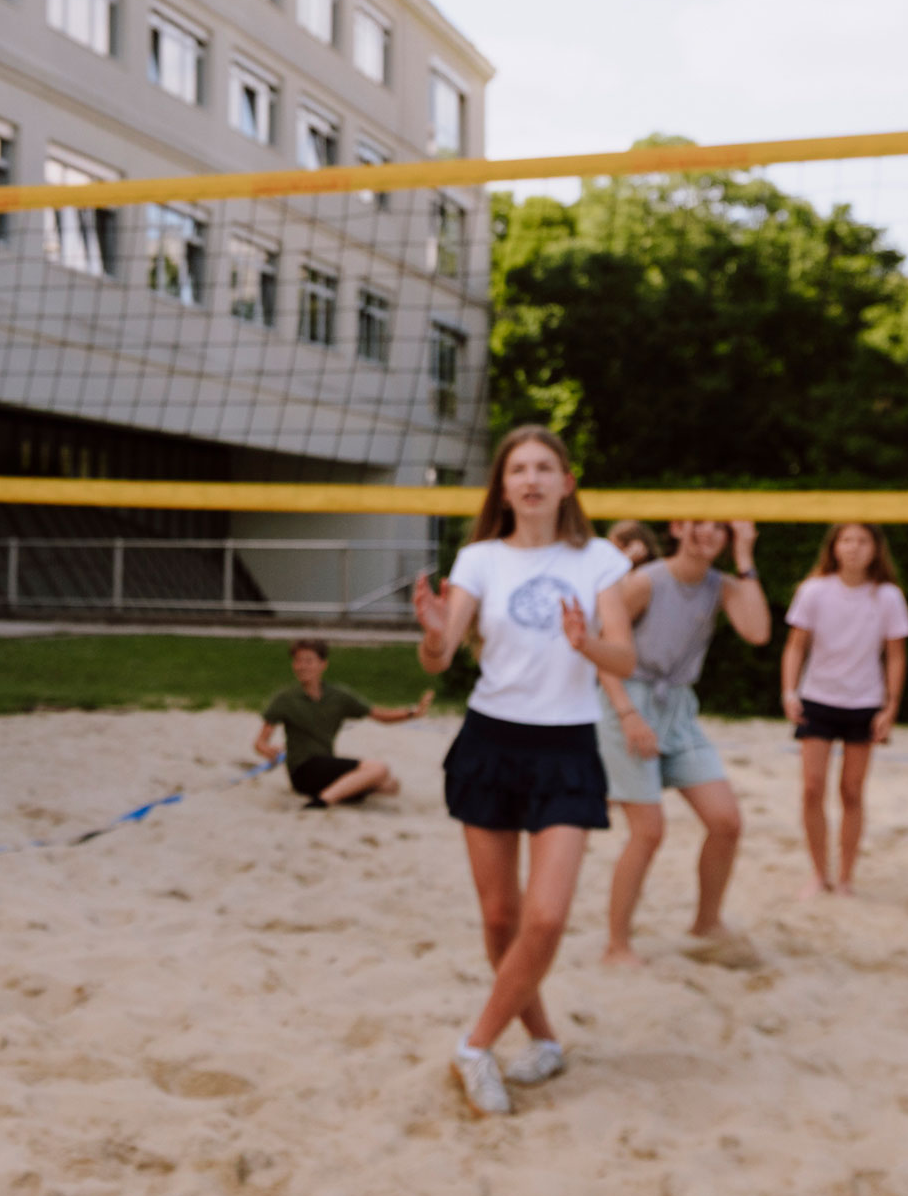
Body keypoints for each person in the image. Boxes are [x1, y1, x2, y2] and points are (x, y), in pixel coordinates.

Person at [410, 426, 635, 1117]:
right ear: (503, 486)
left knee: (546, 917)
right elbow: (442, 658)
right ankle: (542, 1040)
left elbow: (624, 661)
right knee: (502, 916)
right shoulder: (478, 559)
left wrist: (586, 642)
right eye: (519, 469)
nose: (532, 479)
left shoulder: (599, 559)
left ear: (567, 483)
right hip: (491, 741)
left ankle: (475, 1045)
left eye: (545, 467)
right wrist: (432, 632)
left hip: (566, 748)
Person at [595, 520, 770, 966]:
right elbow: (602, 651)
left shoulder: (722, 585)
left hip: (677, 708)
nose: (707, 534)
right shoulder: (646, 582)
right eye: (698, 524)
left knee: (726, 821)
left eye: (719, 528)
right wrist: (628, 715)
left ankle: (706, 923)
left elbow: (757, 632)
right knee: (649, 831)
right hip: (629, 699)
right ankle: (617, 944)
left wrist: (746, 557)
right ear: (677, 527)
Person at [781, 523, 908, 898]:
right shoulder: (814, 590)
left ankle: (846, 879)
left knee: (851, 791)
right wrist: (790, 691)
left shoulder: (887, 596)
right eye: (846, 540)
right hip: (818, 698)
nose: (853, 548)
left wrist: (890, 707)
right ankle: (819, 874)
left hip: (864, 702)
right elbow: (794, 646)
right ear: (834, 547)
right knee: (811, 788)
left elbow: (896, 656)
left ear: (876, 548)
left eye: (862, 540)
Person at [253, 637, 432, 806]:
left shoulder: (337, 695)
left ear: (323, 664)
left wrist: (412, 713)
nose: (302, 666)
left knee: (390, 786)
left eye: (308, 661)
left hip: (326, 765)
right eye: (298, 661)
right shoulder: (285, 698)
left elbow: (379, 715)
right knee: (379, 769)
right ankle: (321, 802)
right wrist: (269, 750)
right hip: (302, 769)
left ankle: (330, 794)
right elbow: (260, 742)